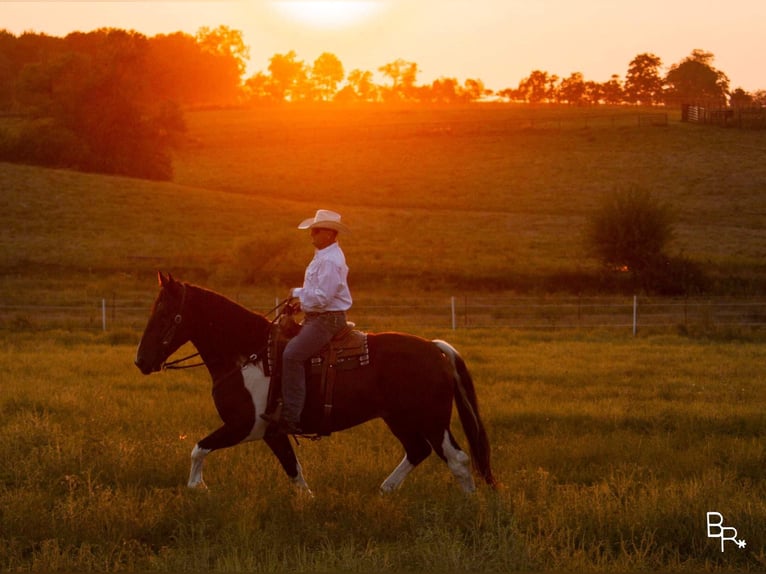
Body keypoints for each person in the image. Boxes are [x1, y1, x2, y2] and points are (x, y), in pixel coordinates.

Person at [262, 209, 352, 435]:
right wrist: (299, 298)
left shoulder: (331, 260)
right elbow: (317, 292)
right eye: (312, 229)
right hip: (318, 316)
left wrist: (300, 297)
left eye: (316, 230)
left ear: (330, 234)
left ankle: (291, 417)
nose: (311, 234)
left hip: (327, 320)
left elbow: (322, 298)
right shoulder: (323, 255)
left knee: (292, 354)